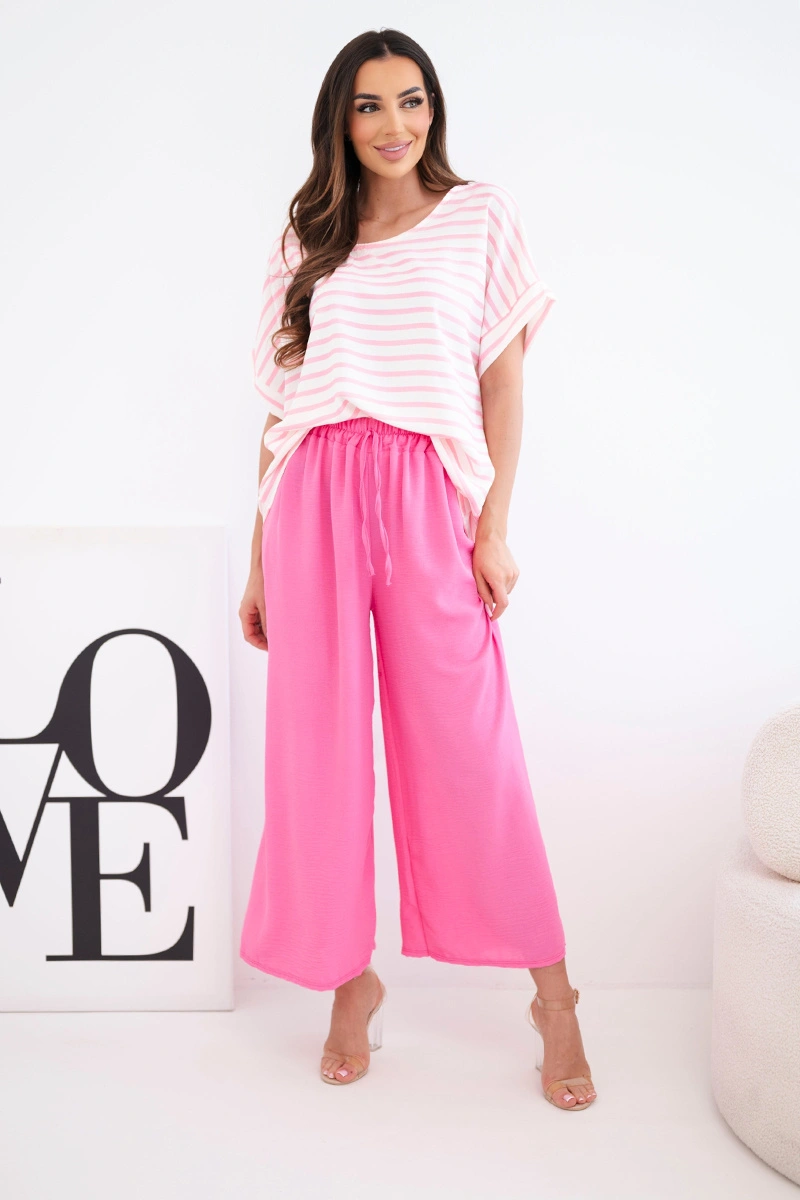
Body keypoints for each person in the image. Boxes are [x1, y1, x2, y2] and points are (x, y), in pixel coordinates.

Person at [238, 27, 597, 1111]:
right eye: (368, 106)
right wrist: (257, 560)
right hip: (311, 498)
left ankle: (554, 999)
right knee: (317, 756)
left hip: (424, 495)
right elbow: (279, 411)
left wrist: (493, 526)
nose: (393, 125)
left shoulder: (480, 215)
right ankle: (350, 985)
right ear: (339, 121)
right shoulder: (309, 236)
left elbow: (502, 385)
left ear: (433, 109)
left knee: (469, 749)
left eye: (411, 101)